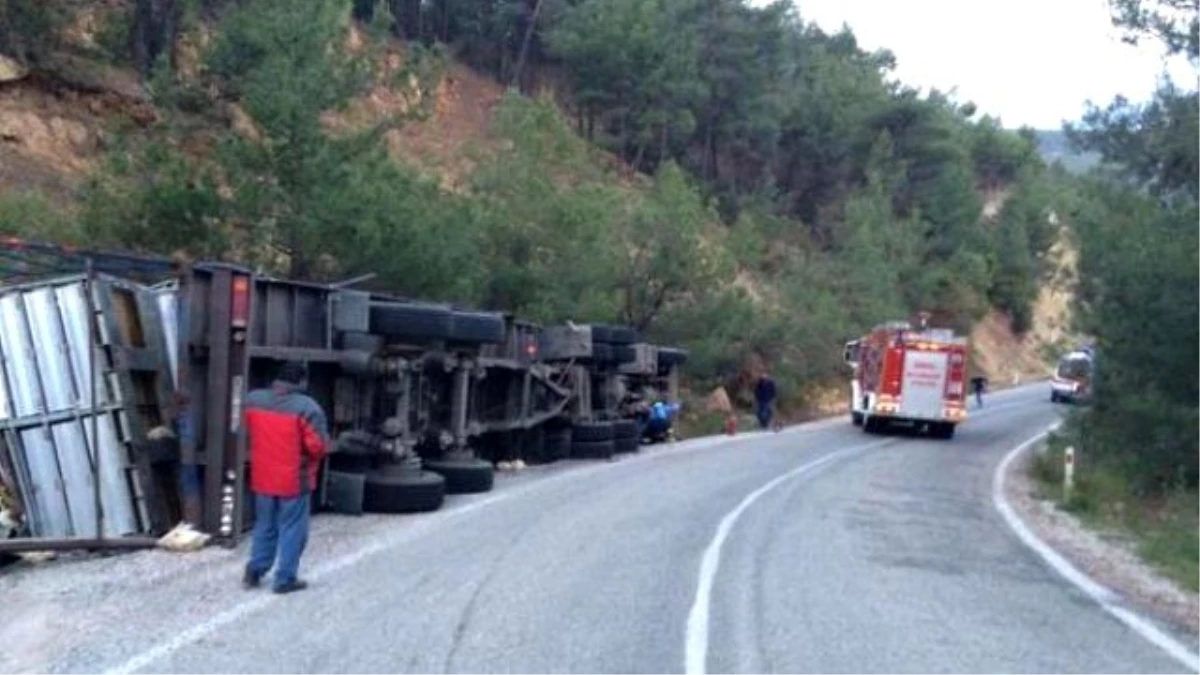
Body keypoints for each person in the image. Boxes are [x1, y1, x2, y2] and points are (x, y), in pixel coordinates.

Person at [242, 361, 329, 594]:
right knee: (292, 528)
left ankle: (255, 569)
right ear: (302, 382)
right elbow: (318, 447)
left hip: (262, 477)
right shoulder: (307, 408)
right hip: (293, 480)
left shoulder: (253, 400)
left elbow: (242, 429)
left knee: (265, 525)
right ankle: (285, 579)